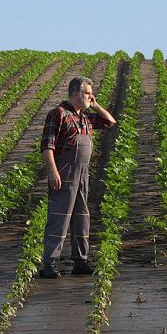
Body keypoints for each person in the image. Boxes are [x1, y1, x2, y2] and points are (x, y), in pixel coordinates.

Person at [38, 76, 116, 279]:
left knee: (82, 217)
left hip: (83, 174)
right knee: (59, 218)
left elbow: (110, 121)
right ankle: (50, 264)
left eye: (91, 94)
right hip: (64, 172)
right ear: (74, 94)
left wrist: (95, 105)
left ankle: (80, 261)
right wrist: (53, 172)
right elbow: (48, 146)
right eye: (87, 93)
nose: (90, 97)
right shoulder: (59, 114)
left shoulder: (86, 117)